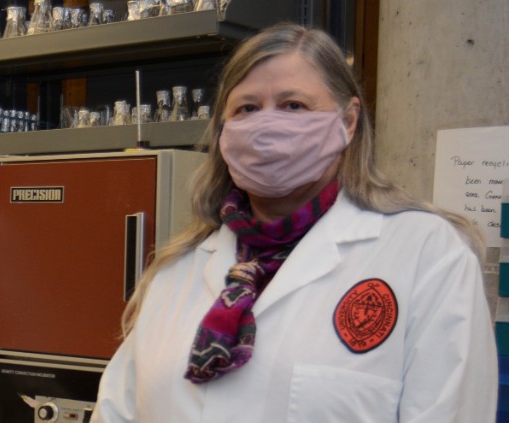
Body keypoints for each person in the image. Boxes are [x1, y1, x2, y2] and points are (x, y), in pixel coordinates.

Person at [92, 23, 496, 422]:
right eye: (247, 108)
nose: (267, 127)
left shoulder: (425, 253)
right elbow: (116, 412)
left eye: (293, 105)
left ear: (348, 121)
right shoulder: (176, 270)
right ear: (223, 131)